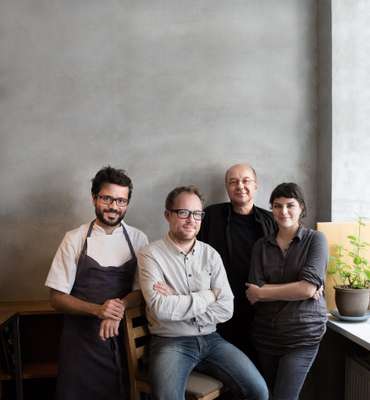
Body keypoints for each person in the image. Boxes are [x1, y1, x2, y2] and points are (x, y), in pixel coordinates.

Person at [138, 185, 269, 400]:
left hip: (212, 339)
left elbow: (227, 308)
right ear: (168, 215)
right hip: (171, 341)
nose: (191, 219)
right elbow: (161, 309)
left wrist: (179, 303)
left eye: (197, 214)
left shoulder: (211, 255)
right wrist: (208, 296)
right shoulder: (150, 255)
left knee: (259, 391)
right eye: (183, 212)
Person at [45, 166, 148, 400]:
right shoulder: (75, 238)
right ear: (94, 198)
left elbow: (141, 292)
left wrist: (117, 308)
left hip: (123, 339)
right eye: (107, 198)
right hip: (80, 342)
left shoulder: (138, 238)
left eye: (121, 201)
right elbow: (56, 298)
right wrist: (98, 310)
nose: (113, 206)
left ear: (127, 204)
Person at [246, 182, 328, 400]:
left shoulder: (316, 240)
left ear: (301, 207)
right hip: (265, 335)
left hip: (303, 335)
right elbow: (252, 293)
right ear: (271, 209)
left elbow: (307, 288)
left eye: (290, 205)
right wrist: (299, 289)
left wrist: (265, 292)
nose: (283, 211)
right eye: (277, 206)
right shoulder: (261, 246)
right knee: (267, 394)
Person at [198, 163, 276, 355]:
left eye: (246, 180)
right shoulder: (211, 216)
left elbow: (290, 254)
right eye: (233, 182)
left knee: (259, 363)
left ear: (256, 185)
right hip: (220, 307)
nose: (240, 186)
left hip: (260, 307)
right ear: (227, 188)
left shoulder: (271, 220)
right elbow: (193, 252)